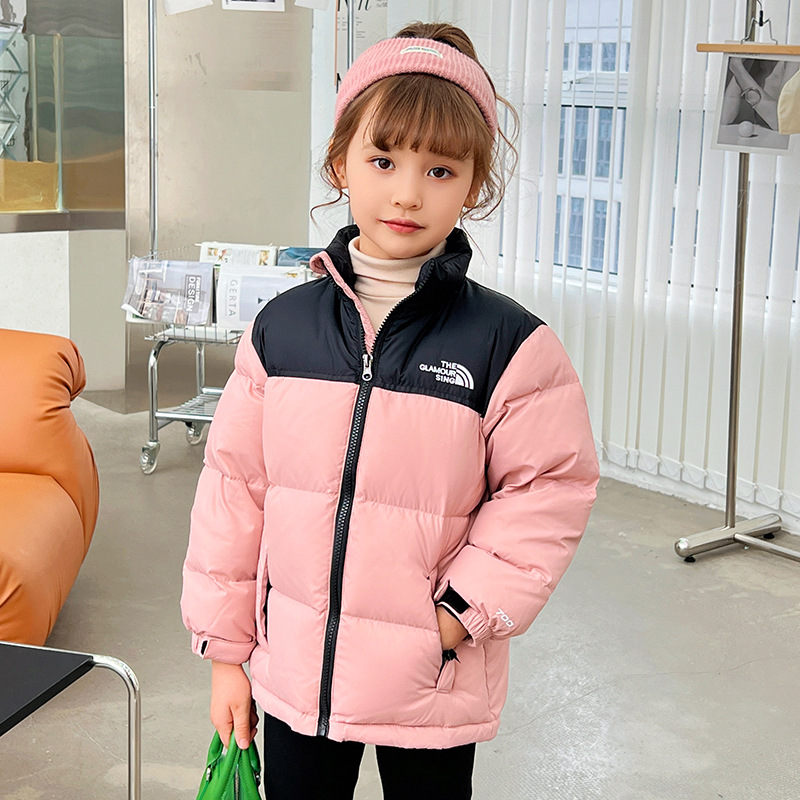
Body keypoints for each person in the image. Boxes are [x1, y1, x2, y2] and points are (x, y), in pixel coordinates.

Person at [181, 21, 599, 800]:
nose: (408, 192)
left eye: (440, 169)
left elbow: (550, 488)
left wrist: (456, 617)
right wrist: (226, 655)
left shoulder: (509, 344)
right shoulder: (281, 330)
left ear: (473, 184)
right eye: (383, 160)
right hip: (297, 676)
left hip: (432, 680)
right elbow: (234, 492)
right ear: (341, 162)